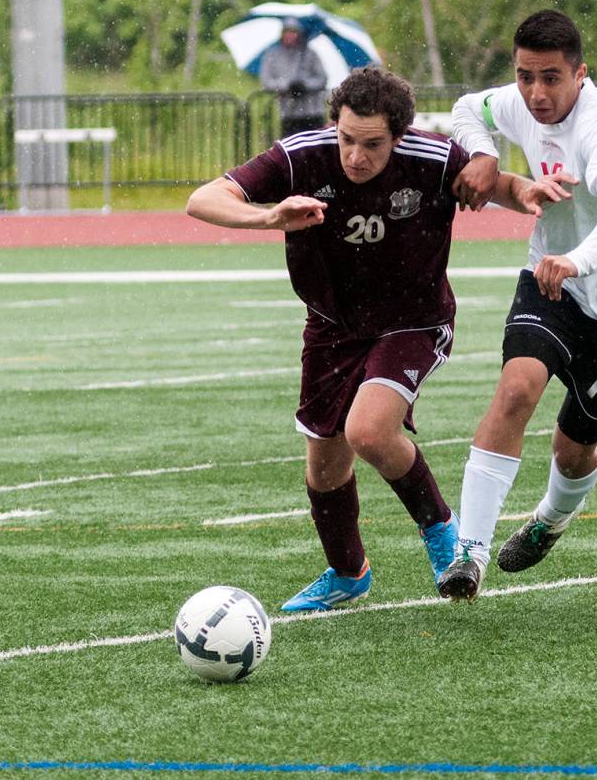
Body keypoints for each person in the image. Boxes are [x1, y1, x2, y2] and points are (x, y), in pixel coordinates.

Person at [187, 67, 548, 612]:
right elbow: (202, 199)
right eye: (347, 139)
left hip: (414, 321)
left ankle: (442, 534)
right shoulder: (301, 155)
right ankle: (348, 573)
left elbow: (503, 188)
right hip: (332, 327)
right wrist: (269, 217)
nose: (355, 156)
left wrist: (526, 189)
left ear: (399, 136)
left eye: (372, 144)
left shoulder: (431, 160)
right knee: (324, 466)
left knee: (369, 431)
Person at [436, 9, 597, 601]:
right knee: (517, 389)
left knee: (573, 450)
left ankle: (551, 518)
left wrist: (577, 260)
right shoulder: (517, 101)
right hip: (551, 284)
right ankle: (470, 553)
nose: (536, 94)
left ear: (580, 74)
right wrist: (481, 153)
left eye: (551, 79)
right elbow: (469, 108)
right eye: (524, 77)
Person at [259, 17, 329, 138]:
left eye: (293, 32)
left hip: (312, 110)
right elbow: (266, 81)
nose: (290, 35)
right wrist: (287, 86)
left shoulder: (310, 54)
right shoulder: (272, 55)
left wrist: (305, 85)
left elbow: (322, 78)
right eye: (287, 32)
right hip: (288, 112)